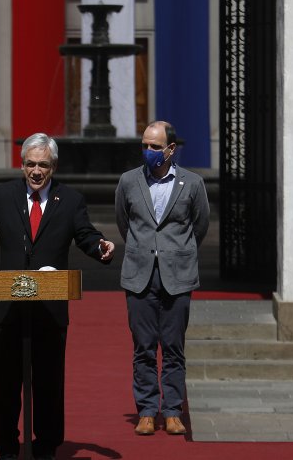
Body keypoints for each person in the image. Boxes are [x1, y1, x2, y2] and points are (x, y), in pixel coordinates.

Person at [0, 133, 115, 460]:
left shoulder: (70, 200)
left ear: (53, 167)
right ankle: (7, 445)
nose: (36, 171)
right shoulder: (2, 196)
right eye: (30, 164)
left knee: (48, 381)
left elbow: (85, 234)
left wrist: (101, 248)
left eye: (43, 165)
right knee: (6, 382)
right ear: (21, 164)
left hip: (50, 307)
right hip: (9, 305)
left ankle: (46, 445)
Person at [114, 121, 210, 436]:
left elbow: (200, 225)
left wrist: (175, 252)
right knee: (143, 346)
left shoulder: (192, 183)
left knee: (173, 347)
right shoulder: (128, 181)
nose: (149, 151)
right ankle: (145, 410)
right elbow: (123, 222)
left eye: (156, 146)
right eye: (145, 145)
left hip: (177, 276)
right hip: (139, 275)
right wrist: (145, 250)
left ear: (171, 149)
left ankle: (171, 410)